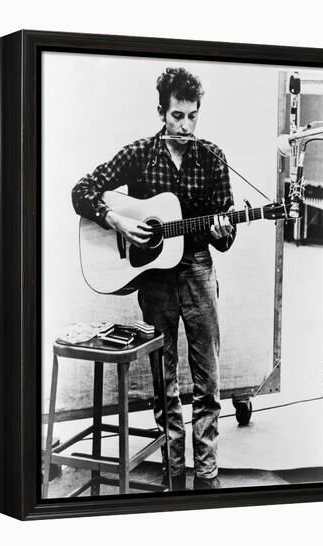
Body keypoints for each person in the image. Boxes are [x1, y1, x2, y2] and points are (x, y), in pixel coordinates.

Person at [72, 67, 236, 490]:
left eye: (192, 116)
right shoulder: (140, 153)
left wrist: (223, 230)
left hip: (198, 270)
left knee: (207, 381)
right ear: (162, 111)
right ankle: (173, 472)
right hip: (156, 283)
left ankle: (208, 474)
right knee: (165, 381)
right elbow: (82, 190)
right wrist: (117, 223)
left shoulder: (212, 157)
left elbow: (227, 232)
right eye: (177, 116)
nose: (185, 126)